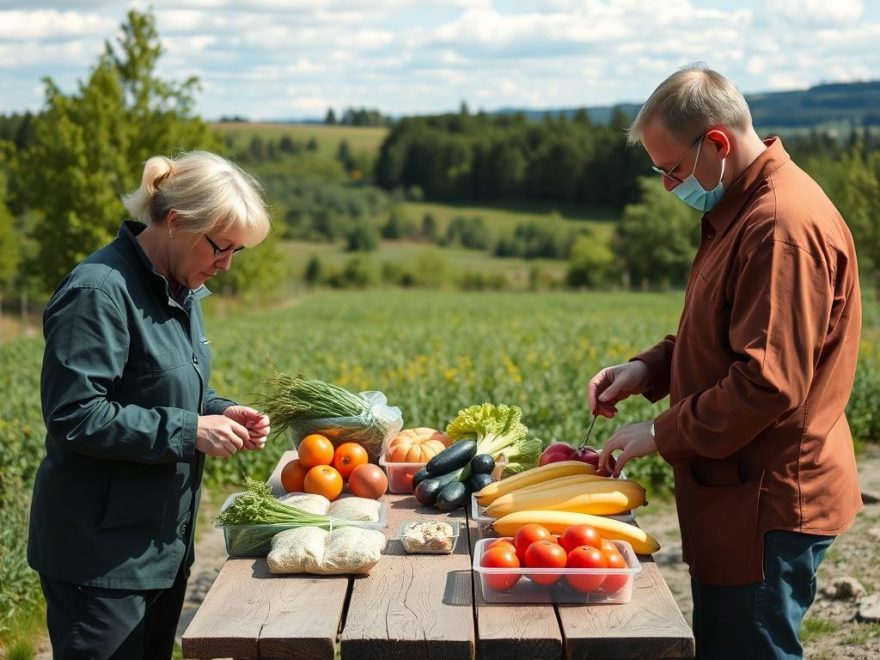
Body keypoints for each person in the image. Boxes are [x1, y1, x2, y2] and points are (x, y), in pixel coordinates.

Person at [589, 63, 862, 659]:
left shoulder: (779, 227)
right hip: (737, 493)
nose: (667, 186)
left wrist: (663, 431)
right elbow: (725, 334)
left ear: (716, 143)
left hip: (766, 500)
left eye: (673, 170)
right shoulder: (740, 208)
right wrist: (649, 371)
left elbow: (767, 383)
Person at [28, 150, 273, 659]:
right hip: (101, 562)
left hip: (161, 549)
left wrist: (222, 411)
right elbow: (76, 415)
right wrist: (190, 431)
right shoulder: (98, 291)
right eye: (221, 248)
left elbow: (169, 389)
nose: (226, 265)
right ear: (178, 222)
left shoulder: (181, 289)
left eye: (237, 253)